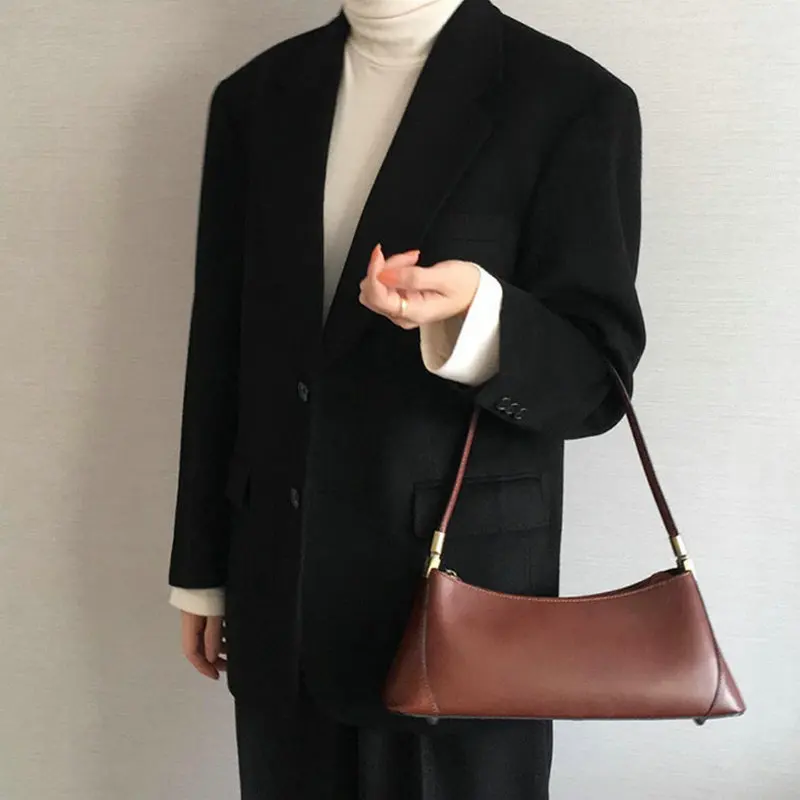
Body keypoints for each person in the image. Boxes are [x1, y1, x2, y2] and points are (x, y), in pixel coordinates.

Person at [166, 0, 646, 797]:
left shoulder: (570, 99)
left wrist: (477, 315)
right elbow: (222, 344)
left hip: (463, 610)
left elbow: (597, 383)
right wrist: (202, 567)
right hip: (281, 590)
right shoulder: (256, 97)